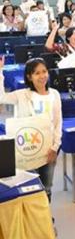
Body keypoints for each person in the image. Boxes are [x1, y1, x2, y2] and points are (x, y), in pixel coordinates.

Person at [0, 56, 62, 202]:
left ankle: (46, 214)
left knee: (47, 187)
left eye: (44, 71)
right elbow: (1, 98)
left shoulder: (54, 94)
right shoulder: (22, 95)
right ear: (29, 76)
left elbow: (58, 122)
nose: (42, 76)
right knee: (30, 188)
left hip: (49, 149)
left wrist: (55, 147)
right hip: (28, 150)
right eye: (37, 73)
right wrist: (0, 72)